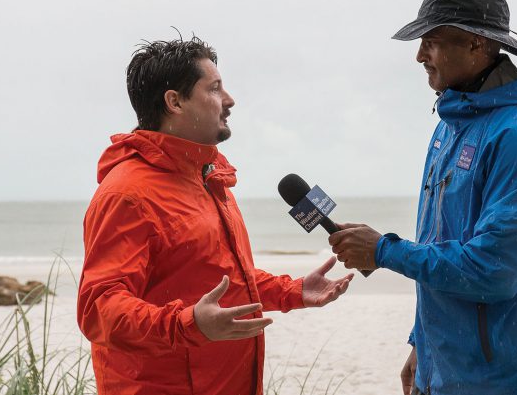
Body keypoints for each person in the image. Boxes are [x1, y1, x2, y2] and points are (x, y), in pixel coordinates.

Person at [329, 0, 517, 395]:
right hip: (454, 372)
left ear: (476, 45)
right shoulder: (448, 130)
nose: (418, 56)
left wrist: (383, 250)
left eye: (431, 40)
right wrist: (423, 344)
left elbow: (495, 271)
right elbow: (441, 241)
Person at [77, 36, 353, 395]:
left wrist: (292, 291)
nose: (230, 100)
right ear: (174, 102)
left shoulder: (208, 177)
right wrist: (187, 324)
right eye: (215, 88)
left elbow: (219, 278)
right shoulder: (127, 194)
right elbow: (98, 308)